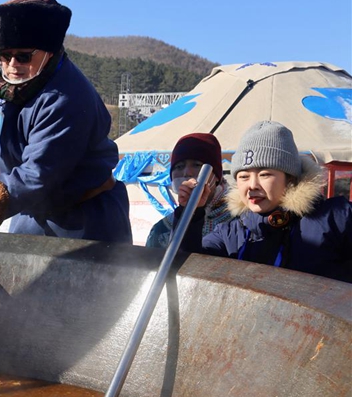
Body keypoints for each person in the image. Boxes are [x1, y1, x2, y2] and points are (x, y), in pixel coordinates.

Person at [0, 0, 131, 242]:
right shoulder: (0, 81)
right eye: (4, 55)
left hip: (84, 218)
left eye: (23, 56)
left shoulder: (67, 97)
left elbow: (39, 174)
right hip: (28, 209)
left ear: (49, 51)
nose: (12, 65)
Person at [177, 121, 351, 283]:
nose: (252, 185)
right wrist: (191, 213)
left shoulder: (335, 220)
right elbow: (188, 269)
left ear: (290, 178)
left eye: (264, 174)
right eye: (244, 176)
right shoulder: (230, 234)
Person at [146, 133, 232, 248]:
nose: (187, 173)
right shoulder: (161, 229)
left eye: (196, 165)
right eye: (179, 166)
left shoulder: (240, 223)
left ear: (216, 176)